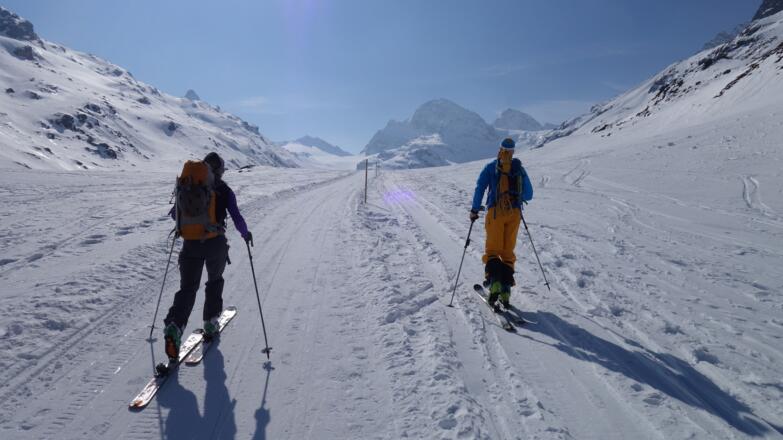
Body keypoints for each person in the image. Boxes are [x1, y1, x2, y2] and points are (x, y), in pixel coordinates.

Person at [162, 152, 253, 360]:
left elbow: (175, 215)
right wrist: (245, 234)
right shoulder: (224, 190)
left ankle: (175, 327)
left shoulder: (190, 184)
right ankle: (211, 323)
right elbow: (237, 217)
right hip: (215, 244)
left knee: (187, 289)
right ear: (220, 170)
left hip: (190, 245)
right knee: (214, 281)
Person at [470, 138, 533, 310]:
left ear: (500, 149)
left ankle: (494, 283)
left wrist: (475, 210)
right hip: (514, 214)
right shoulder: (518, 169)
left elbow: (479, 188)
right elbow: (528, 195)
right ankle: (505, 290)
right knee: (507, 253)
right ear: (513, 151)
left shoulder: (491, 167)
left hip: (496, 213)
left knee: (492, 251)